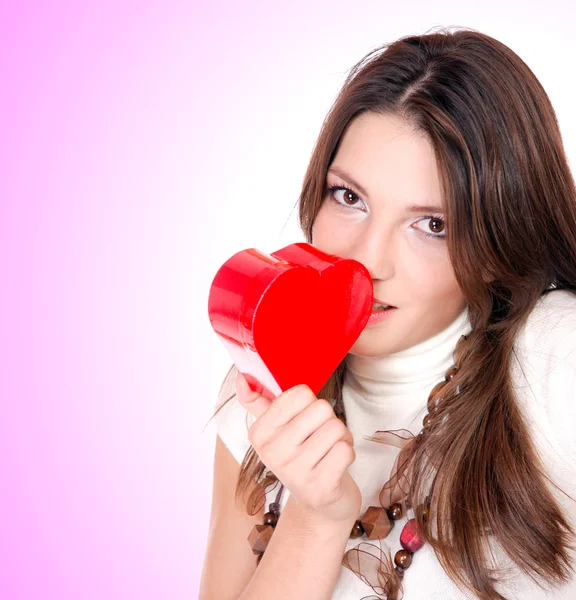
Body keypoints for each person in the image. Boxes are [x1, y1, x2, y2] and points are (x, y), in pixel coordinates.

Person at [199, 26, 576, 600]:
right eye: (349, 198)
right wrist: (315, 518)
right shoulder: (259, 389)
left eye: (432, 225)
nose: (367, 261)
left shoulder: (553, 355)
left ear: (499, 245)